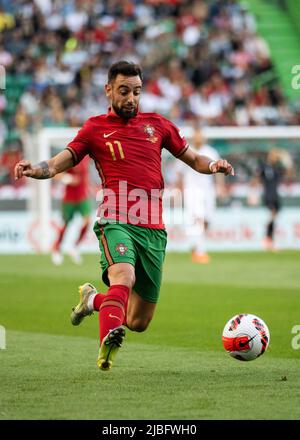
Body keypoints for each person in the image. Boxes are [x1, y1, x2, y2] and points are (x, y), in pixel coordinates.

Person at [14, 60, 234, 371]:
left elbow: (193, 158)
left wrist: (213, 165)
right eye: (124, 91)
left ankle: (92, 300)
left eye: (136, 92)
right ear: (108, 91)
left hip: (153, 227)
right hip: (115, 218)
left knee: (138, 320)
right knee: (124, 277)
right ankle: (106, 349)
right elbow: (63, 160)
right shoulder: (94, 128)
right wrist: (36, 168)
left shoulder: (157, 125)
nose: (131, 98)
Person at [176, 125, 226, 263]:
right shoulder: (186, 151)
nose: (198, 138)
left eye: (200, 136)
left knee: (207, 221)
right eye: (196, 136)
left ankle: (195, 245)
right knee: (198, 220)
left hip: (208, 190)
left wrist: (220, 187)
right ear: (193, 137)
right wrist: (179, 190)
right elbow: (179, 174)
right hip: (192, 190)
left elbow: (219, 171)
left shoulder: (211, 152)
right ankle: (200, 251)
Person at [51, 155, 92, 265]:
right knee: (65, 224)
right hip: (69, 198)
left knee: (88, 221)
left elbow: (85, 175)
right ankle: (56, 249)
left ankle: (74, 247)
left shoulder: (86, 157)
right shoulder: (70, 158)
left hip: (83, 197)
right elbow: (55, 173)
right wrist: (67, 178)